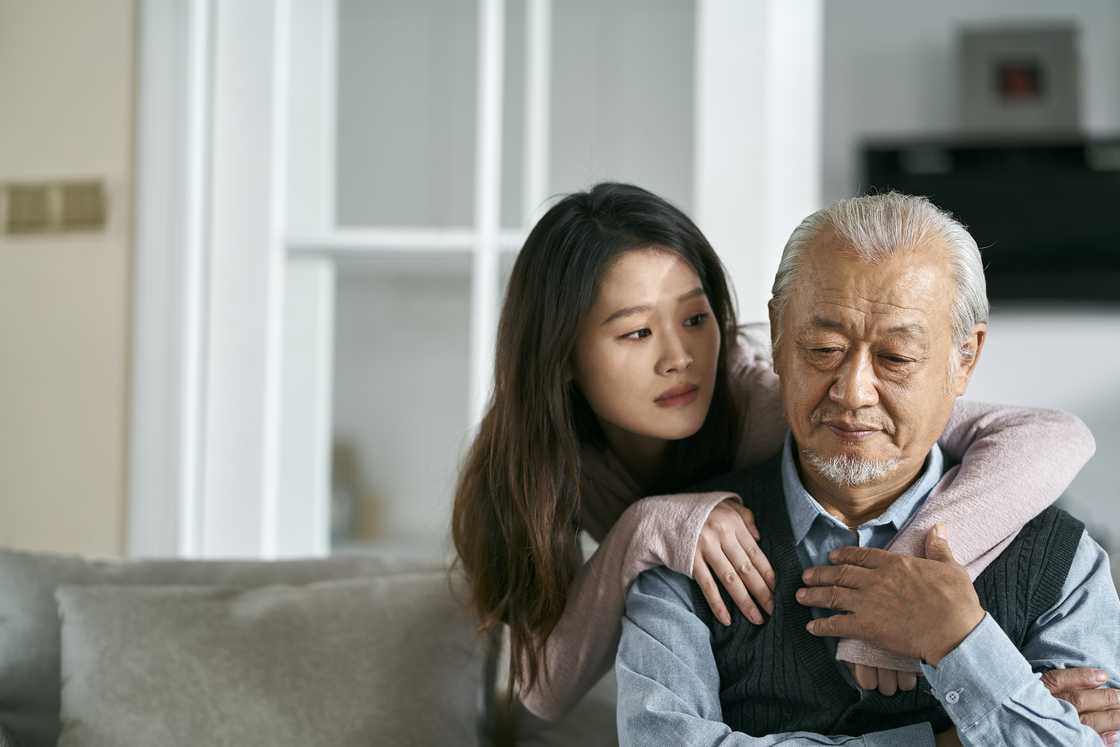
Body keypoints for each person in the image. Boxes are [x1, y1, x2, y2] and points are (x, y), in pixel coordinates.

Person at [450, 183, 1096, 722]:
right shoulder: (533, 460)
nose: (680, 357)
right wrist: (646, 526)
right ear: (561, 355)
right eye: (638, 332)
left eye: (697, 319)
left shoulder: (770, 393)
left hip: (986, 523)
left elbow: (1054, 435)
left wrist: (901, 581)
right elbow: (542, 686)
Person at [615, 192, 1120, 745]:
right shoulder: (691, 552)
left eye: (896, 358)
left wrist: (958, 637)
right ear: (780, 335)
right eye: (823, 348)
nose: (852, 393)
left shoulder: (1059, 558)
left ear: (965, 357)